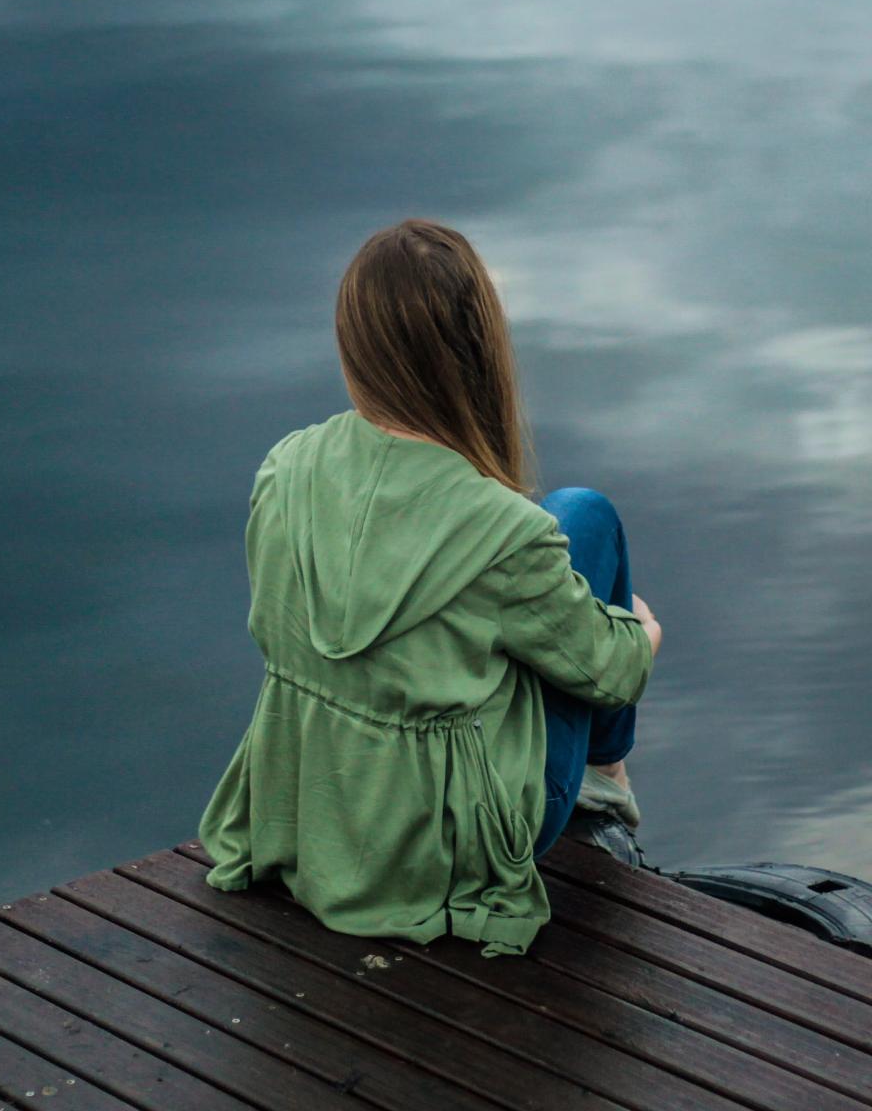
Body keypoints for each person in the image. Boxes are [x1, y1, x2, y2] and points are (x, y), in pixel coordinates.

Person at [197, 218, 663, 959]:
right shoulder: (506, 533)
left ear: (355, 346)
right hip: (446, 854)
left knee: (560, 534)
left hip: (316, 818)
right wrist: (639, 631)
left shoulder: (284, 470)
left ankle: (598, 784)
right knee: (585, 516)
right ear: (477, 352)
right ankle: (604, 790)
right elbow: (618, 673)